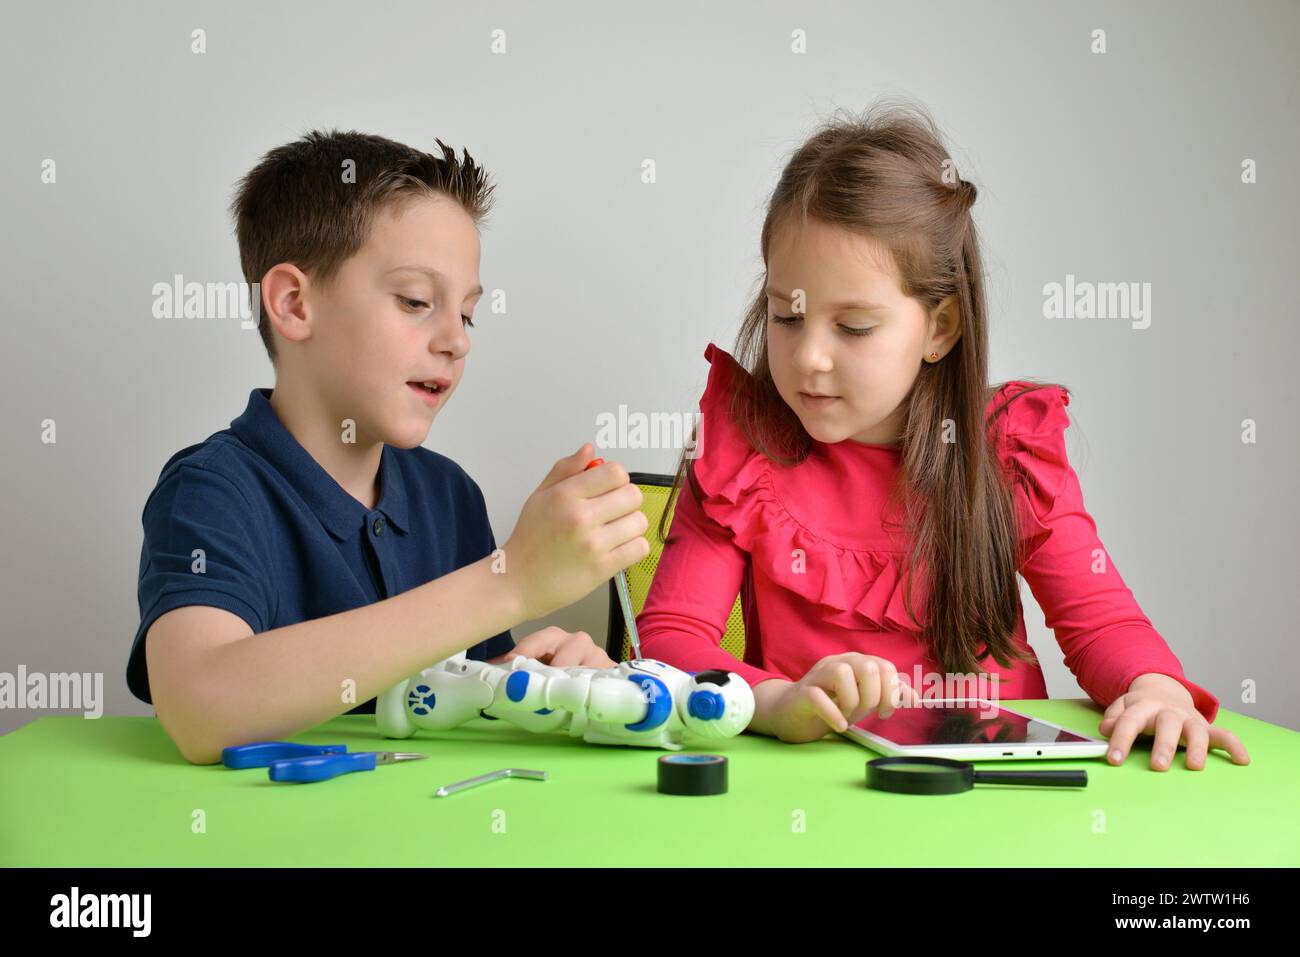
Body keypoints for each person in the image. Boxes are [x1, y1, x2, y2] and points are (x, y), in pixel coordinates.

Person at [637, 102, 1249, 772]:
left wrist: (1153, 688)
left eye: (855, 327)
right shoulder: (744, 447)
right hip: (808, 799)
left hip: (996, 791)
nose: (809, 356)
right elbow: (671, 639)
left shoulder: (1009, 450)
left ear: (939, 327)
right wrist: (778, 702)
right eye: (788, 315)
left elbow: (1101, 622)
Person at [127, 130, 649, 764]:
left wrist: (525, 679)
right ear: (294, 304)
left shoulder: (449, 495)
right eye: (415, 301)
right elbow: (200, 708)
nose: (456, 340)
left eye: (468, 314)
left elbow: (457, 694)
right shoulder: (211, 492)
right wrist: (511, 581)